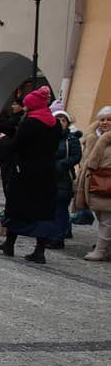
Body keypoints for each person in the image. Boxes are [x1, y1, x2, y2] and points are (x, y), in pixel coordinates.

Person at [0, 88, 63, 263]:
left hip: (26, 172)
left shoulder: (30, 123)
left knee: (17, 207)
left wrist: (3, 140)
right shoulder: (55, 124)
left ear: (31, 106)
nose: (24, 108)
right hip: (47, 173)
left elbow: (17, 145)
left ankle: (9, 244)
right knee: (43, 212)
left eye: (26, 106)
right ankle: (39, 251)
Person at [74, 106, 111, 261]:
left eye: (109, 120)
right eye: (102, 119)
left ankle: (101, 250)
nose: (105, 122)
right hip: (93, 183)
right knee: (101, 217)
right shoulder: (92, 137)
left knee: (107, 220)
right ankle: (106, 248)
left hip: (107, 184)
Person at [48, 109, 82, 250]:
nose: (60, 123)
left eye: (63, 120)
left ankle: (58, 237)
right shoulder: (48, 137)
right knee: (49, 208)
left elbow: (76, 156)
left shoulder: (71, 139)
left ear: (68, 123)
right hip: (48, 177)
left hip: (63, 179)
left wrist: (61, 164)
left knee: (60, 208)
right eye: (58, 119)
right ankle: (49, 234)